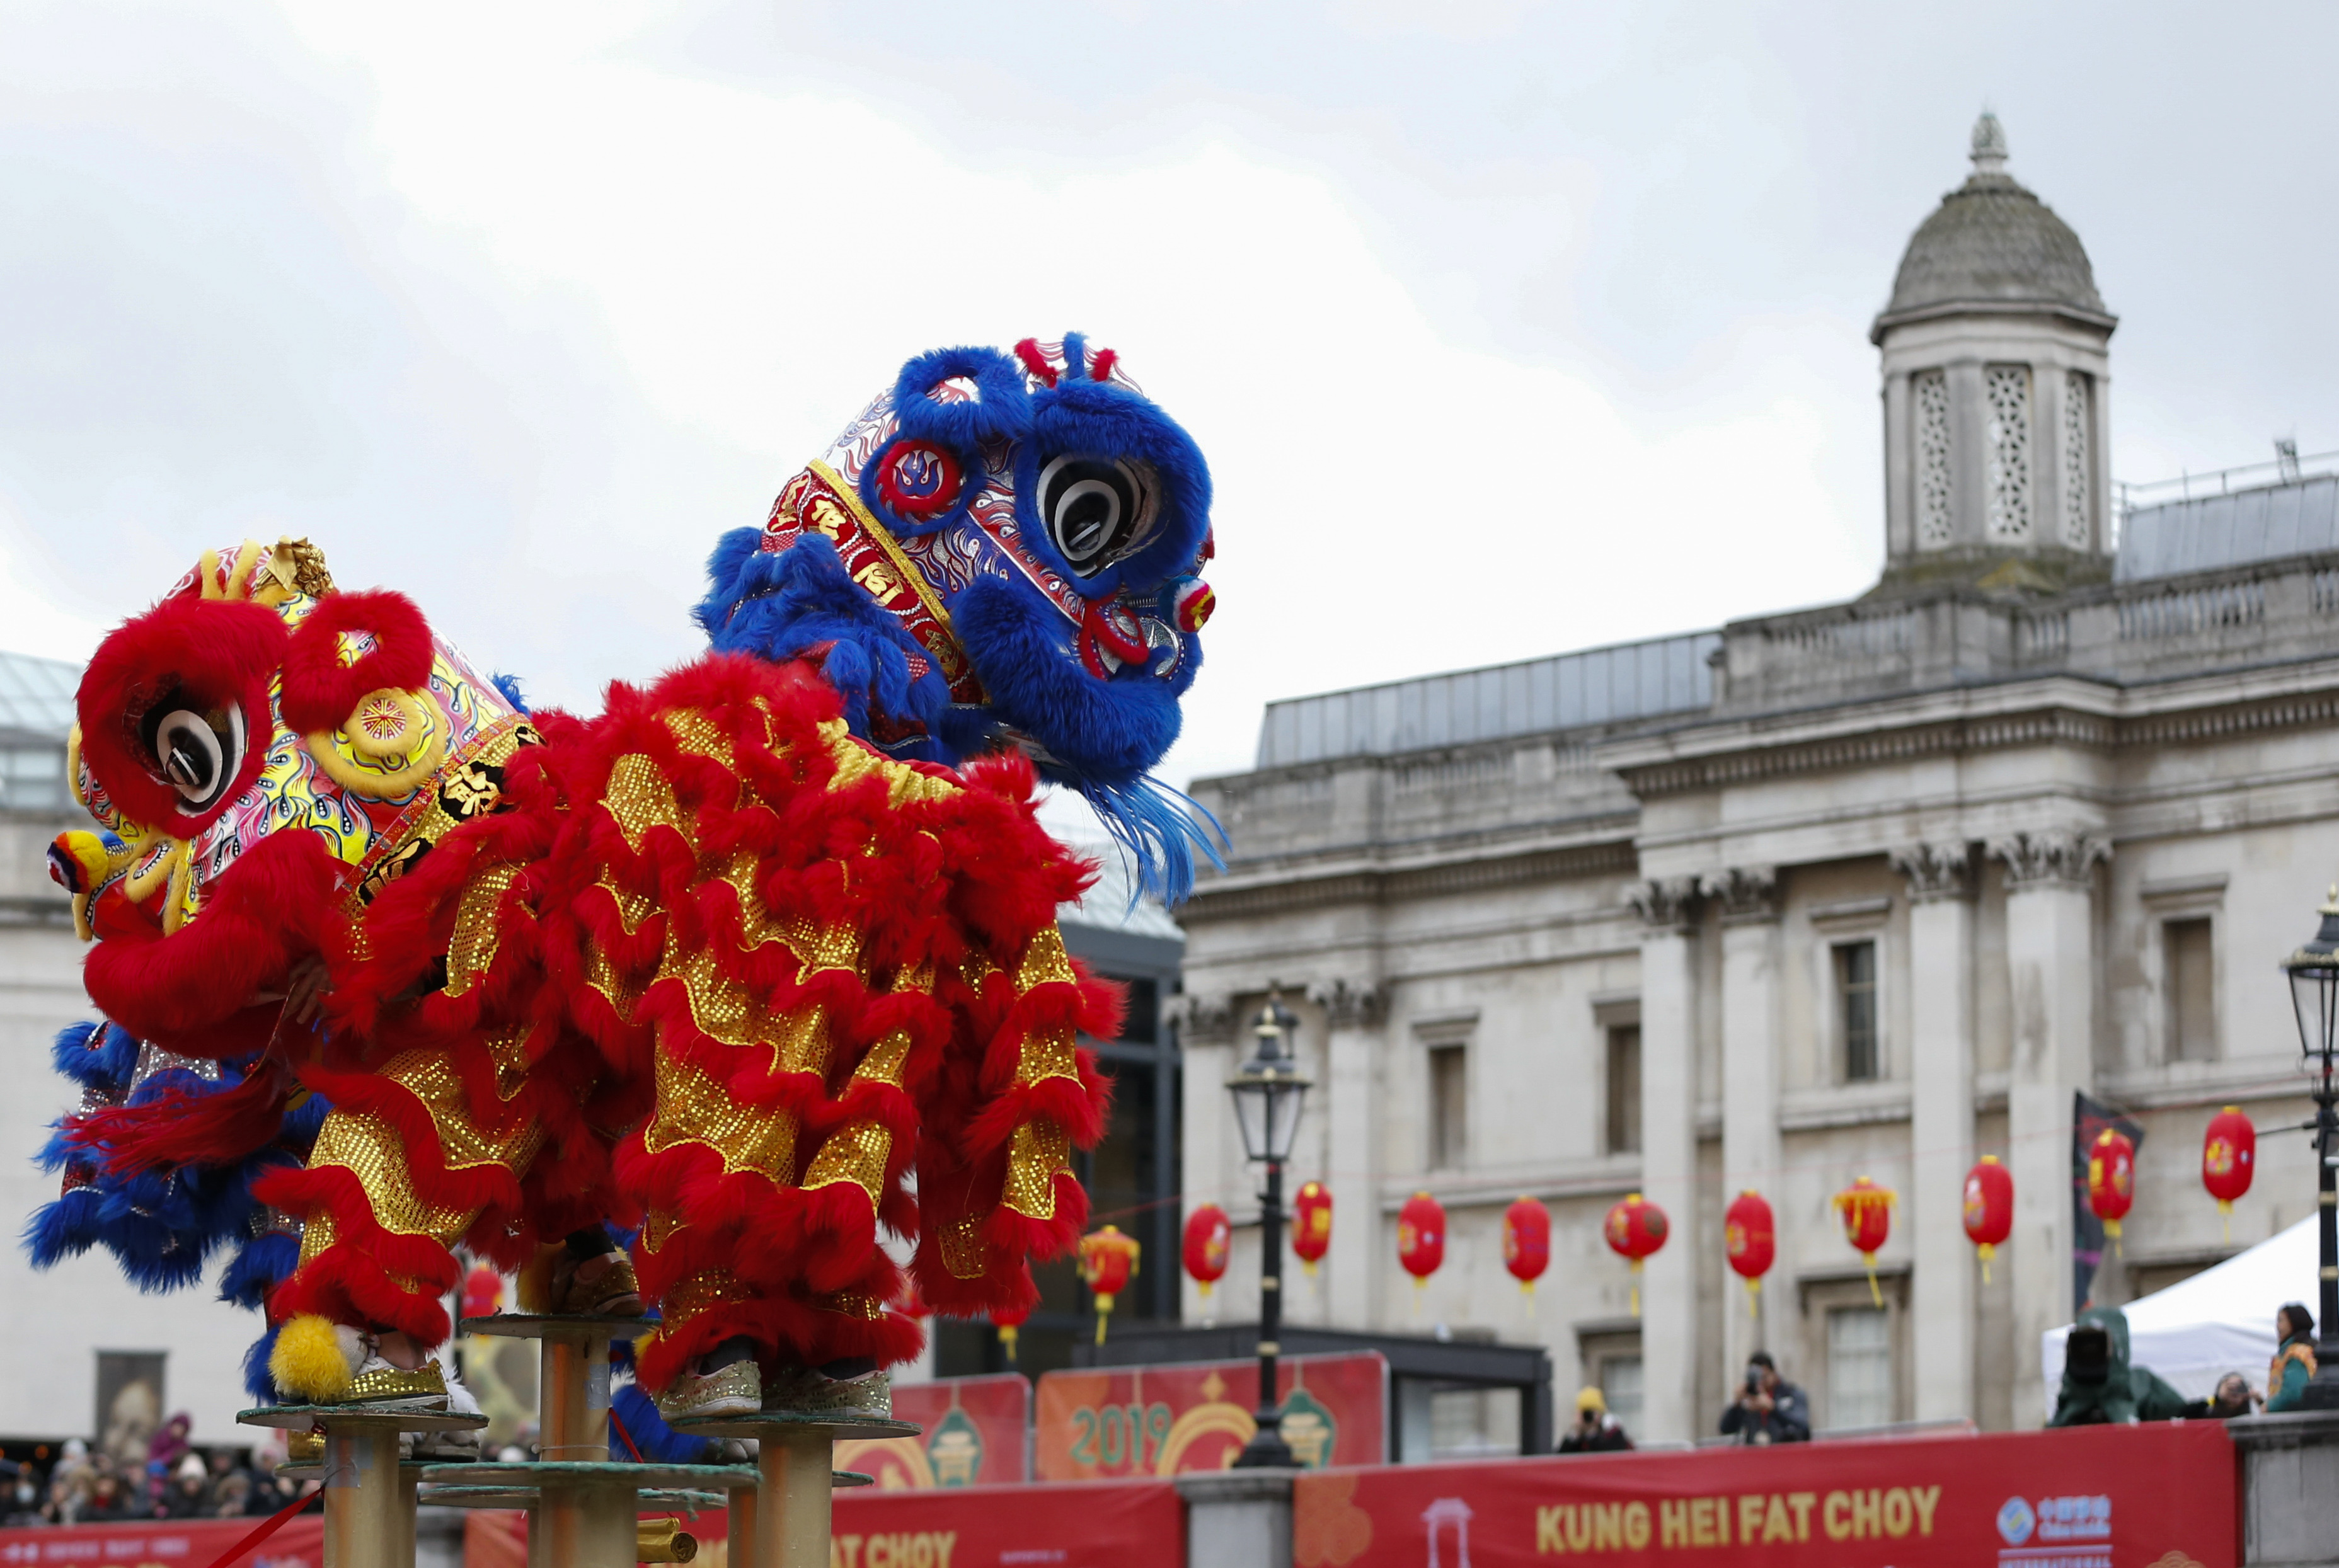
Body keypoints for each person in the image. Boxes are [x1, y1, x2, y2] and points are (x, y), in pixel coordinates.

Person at [2051, 1304, 2189, 1425]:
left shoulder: (2139, 1383)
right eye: (2085, 1343)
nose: (2090, 1350)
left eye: (2097, 1343)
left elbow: (2178, 1409)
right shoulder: (2071, 1397)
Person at [1720, 1351, 1810, 1444]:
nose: (1761, 1383)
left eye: (1764, 1377)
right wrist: (1736, 1405)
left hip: (1784, 1453)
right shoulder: (1749, 1399)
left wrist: (1773, 1409)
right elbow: (1725, 1429)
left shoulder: (1792, 1394)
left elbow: (1803, 1427)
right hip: (1754, 1454)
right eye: (1757, 1379)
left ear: (1774, 1373)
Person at [2265, 1303, 2318, 1413]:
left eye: (2281, 1321)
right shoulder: (2311, 1349)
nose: (2277, 1326)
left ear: (2293, 1322)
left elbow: (2293, 1393)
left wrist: (2269, 1407)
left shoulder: (2296, 1354)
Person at [1558, 1387, 1633, 1452]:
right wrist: (1576, 1434)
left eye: (1590, 1413)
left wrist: (1592, 1434)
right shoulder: (1577, 1440)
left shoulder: (1613, 1434)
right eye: (1584, 1413)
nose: (1587, 1417)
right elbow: (1561, 1459)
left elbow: (1605, 1455)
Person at [2184, 1371, 2260, 1420]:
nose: (2234, 1390)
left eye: (2240, 1387)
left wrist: (2259, 1401)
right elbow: (2185, 1412)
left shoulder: (2250, 1415)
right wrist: (2217, 1398)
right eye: (2230, 1386)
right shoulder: (2207, 1409)